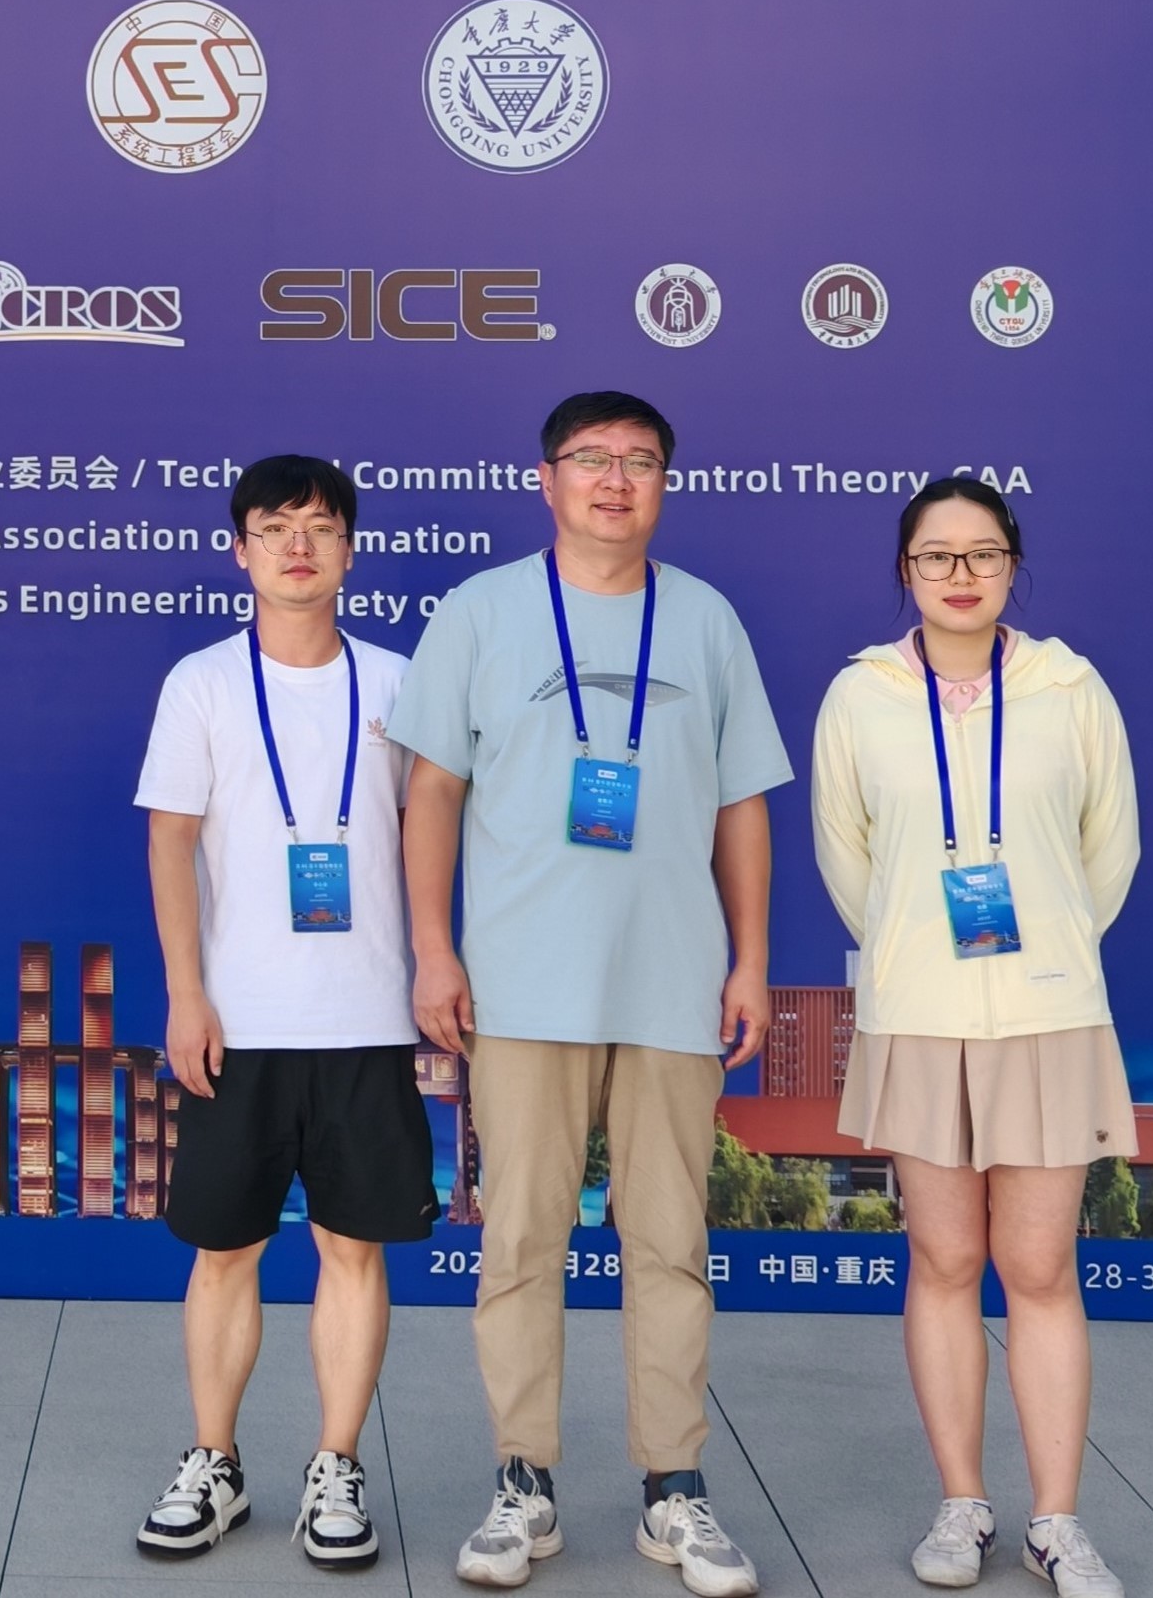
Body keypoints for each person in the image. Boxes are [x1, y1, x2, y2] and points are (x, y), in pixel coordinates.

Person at [394, 392, 791, 1595]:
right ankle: (523, 1483)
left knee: (670, 1243)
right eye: (591, 459)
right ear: (546, 478)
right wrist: (433, 950)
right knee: (521, 1242)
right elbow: (430, 791)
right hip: (520, 989)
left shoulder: (706, 620)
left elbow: (741, 803)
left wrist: (750, 960)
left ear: (664, 482)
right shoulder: (479, 611)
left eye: (640, 461)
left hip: (673, 988)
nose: (615, 479)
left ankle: (674, 1488)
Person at [807, 478, 1141, 1598]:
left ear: (1012, 565)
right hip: (919, 1014)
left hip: (1047, 1012)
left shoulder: (1069, 688)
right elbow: (848, 859)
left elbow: (1107, 853)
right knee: (945, 1261)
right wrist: (919, 953)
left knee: (1038, 1268)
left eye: (983, 554)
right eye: (936, 555)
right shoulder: (860, 695)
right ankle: (961, 1504)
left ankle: (1057, 1521)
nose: (960, 575)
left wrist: (1046, 948)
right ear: (904, 569)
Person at [134, 453, 438, 1568]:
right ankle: (212, 1462)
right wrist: (186, 994)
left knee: (354, 1252)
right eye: (274, 527)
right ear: (240, 550)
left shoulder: (401, 682)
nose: (297, 545)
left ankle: (335, 1466)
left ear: (350, 549)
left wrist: (436, 966)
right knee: (224, 1251)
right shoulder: (202, 682)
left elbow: (432, 837)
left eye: (319, 527)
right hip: (241, 1022)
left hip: (366, 1018)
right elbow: (170, 840)